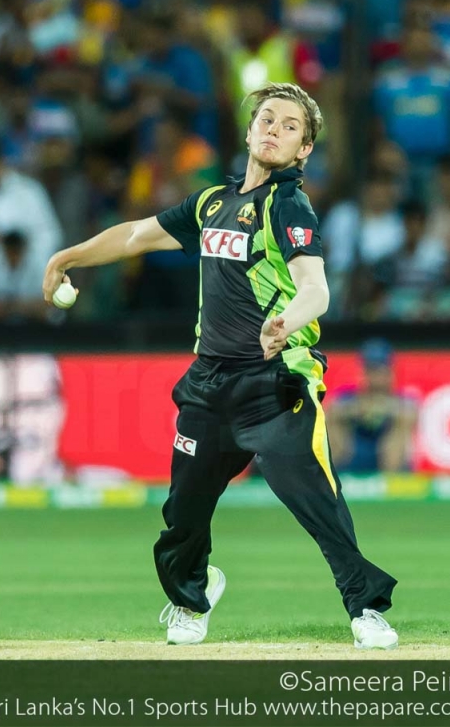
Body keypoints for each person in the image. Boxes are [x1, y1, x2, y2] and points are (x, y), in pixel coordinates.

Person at [43, 82, 398, 649]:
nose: (275, 130)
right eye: (267, 119)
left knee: (315, 501)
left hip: (275, 382)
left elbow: (316, 288)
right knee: (183, 513)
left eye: (290, 127)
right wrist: (69, 257)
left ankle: (366, 610)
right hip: (209, 384)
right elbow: (135, 235)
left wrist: (285, 323)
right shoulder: (212, 203)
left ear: (304, 149)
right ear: (250, 130)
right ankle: (193, 594)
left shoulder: (288, 205)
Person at [328, 340, 417, 474]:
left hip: (388, 461)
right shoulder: (348, 397)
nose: (377, 378)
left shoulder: (402, 400)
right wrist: (358, 409)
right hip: (352, 456)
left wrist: (382, 408)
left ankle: (390, 479)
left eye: (381, 371)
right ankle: (333, 476)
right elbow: (329, 410)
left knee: (403, 422)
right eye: (371, 371)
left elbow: (412, 412)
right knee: (332, 421)